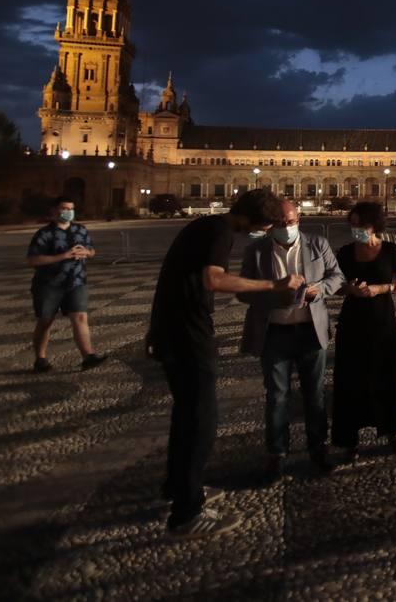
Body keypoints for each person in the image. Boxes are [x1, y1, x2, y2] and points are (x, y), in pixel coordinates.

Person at [146, 188, 297, 538]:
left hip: (173, 327)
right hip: (187, 332)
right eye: (266, 225)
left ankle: (180, 487)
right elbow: (212, 279)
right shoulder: (218, 232)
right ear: (257, 219)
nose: (265, 231)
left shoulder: (204, 227)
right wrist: (273, 285)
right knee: (201, 419)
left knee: (187, 414)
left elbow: (170, 278)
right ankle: (186, 514)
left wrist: (155, 328)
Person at [237, 198, 344, 483]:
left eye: (293, 221)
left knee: (315, 393)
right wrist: (274, 294)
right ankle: (276, 454)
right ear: (272, 224)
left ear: (300, 220)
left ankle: (318, 448)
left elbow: (337, 277)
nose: (288, 227)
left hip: (311, 330)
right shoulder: (256, 250)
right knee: (276, 396)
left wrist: (318, 290)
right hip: (274, 333)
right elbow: (242, 292)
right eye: (283, 223)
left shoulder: (317, 244)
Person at [332, 202, 396, 460]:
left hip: (382, 320)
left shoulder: (390, 250)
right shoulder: (345, 252)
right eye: (353, 225)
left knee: (385, 373)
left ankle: (390, 429)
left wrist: (381, 289)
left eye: (361, 225)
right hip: (353, 321)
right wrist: (349, 289)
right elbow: (334, 285)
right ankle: (348, 437)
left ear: (375, 225)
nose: (356, 230)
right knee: (349, 378)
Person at [26, 196, 107, 372]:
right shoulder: (44, 234)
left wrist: (87, 252)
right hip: (49, 284)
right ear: (54, 210)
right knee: (45, 321)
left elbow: (92, 250)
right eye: (64, 208)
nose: (68, 212)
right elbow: (32, 260)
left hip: (76, 281)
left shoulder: (81, 230)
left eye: (71, 208)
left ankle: (88, 356)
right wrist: (62, 256)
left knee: (80, 317)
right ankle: (40, 358)